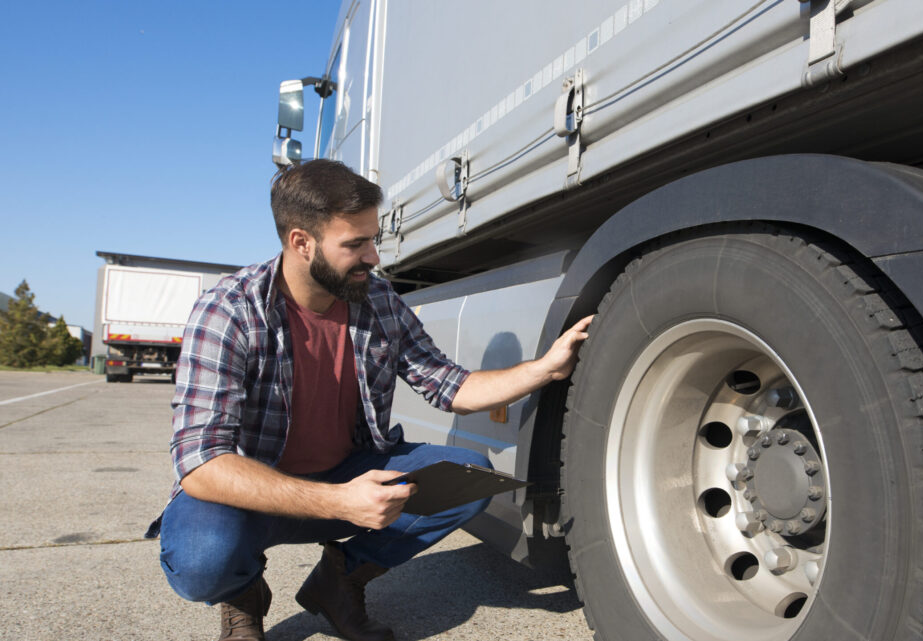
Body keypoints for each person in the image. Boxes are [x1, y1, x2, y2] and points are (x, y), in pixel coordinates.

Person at [147, 159, 593, 641]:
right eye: (355, 244)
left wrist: (543, 368)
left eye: (372, 239)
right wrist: (340, 501)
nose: (373, 257)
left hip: (346, 469)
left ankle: (339, 581)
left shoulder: (378, 301)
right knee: (201, 559)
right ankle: (242, 595)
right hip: (255, 488)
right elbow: (201, 461)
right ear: (302, 243)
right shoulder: (230, 311)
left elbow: (449, 386)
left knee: (468, 477)